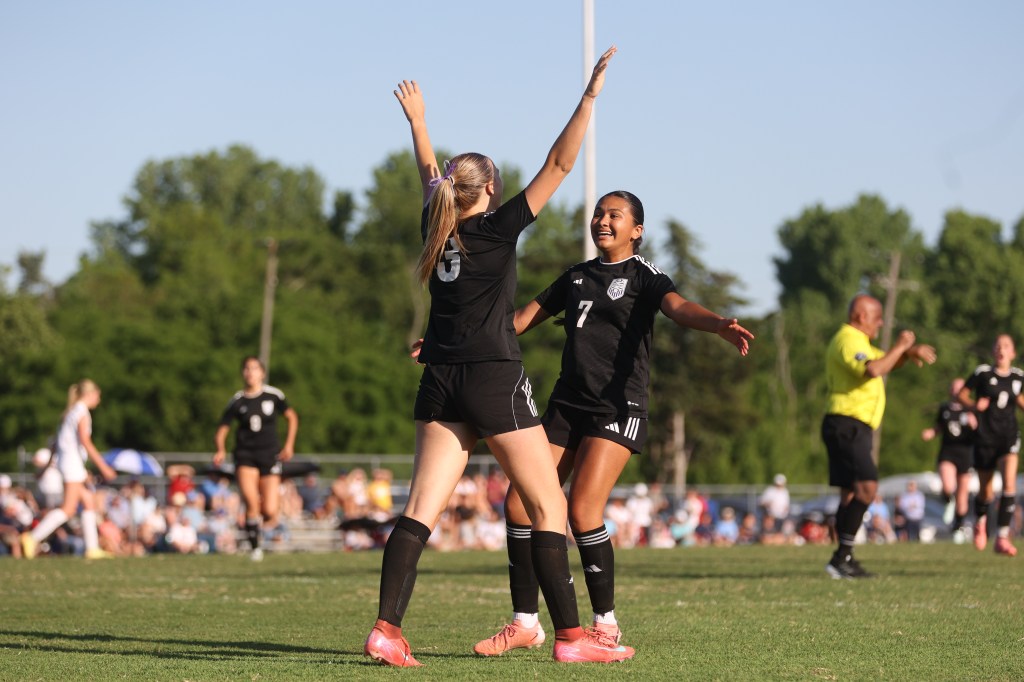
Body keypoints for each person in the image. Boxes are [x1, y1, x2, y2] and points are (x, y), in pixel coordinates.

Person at [365, 47, 633, 667]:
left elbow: (431, 176)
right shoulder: (494, 227)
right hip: (492, 378)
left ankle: (386, 629)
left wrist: (418, 124)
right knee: (548, 507)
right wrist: (589, 97)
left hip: (439, 383)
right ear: (488, 189)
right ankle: (570, 640)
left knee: (418, 511)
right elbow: (561, 162)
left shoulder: (440, 226)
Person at [472, 189, 753, 656]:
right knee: (519, 508)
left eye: (614, 215)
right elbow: (519, 321)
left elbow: (680, 308)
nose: (602, 220)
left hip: (616, 408)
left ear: (636, 230)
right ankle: (525, 623)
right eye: (599, 213)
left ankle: (606, 625)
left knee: (582, 512)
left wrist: (718, 323)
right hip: (567, 405)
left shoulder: (644, 276)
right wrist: (453, 339)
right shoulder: (577, 276)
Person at [821, 294, 936, 578]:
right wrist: (900, 346)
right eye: (877, 317)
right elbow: (873, 369)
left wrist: (907, 354)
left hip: (853, 426)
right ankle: (841, 558)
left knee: (850, 494)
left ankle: (842, 559)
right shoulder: (848, 339)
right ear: (860, 316)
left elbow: (884, 362)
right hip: (847, 423)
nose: (881, 322)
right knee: (868, 488)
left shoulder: (861, 342)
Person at [213, 356, 298, 562]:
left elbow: (292, 417)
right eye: (247, 368)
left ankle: (257, 528)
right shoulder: (238, 400)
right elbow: (223, 428)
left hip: (269, 454)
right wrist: (220, 449)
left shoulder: (273, 395)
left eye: (254, 368)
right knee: (251, 501)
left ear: (262, 372)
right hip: (245, 455)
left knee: (269, 509)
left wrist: (289, 445)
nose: (250, 372)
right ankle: (255, 548)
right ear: (243, 373)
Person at [21, 379, 118, 559]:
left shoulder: (69, 413)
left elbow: (55, 444)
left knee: (88, 501)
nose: (99, 399)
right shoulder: (81, 412)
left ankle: (92, 548)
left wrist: (46, 467)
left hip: (68, 463)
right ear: (89, 394)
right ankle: (32, 537)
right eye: (98, 395)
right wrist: (104, 467)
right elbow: (85, 441)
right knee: (68, 509)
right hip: (72, 464)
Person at [958, 334, 1022, 556]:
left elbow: (1021, 401)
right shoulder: (982, 373)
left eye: (1006, 345)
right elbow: (961, 394)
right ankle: (980, 520)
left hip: (1009, 437)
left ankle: (1002, 536)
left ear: (1012, 353)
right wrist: (974, 406)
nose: (1001, 349)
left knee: (1009, 485)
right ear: (994, 351)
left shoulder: (1018, 377)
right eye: (998, 345)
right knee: (986, 492)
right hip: (985, 438)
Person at [921, 377, 976, 541]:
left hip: (965, 453)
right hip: (948, 451)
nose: (957, 391)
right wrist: (931, 432)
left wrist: (975, 424)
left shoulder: (971, 409)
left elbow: (981, 432)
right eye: (954, 388)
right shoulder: (945, 408)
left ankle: (958, 526)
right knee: (948, 486)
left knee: (962, 494)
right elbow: (939, 427)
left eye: (960, 388)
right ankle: (948, 500)